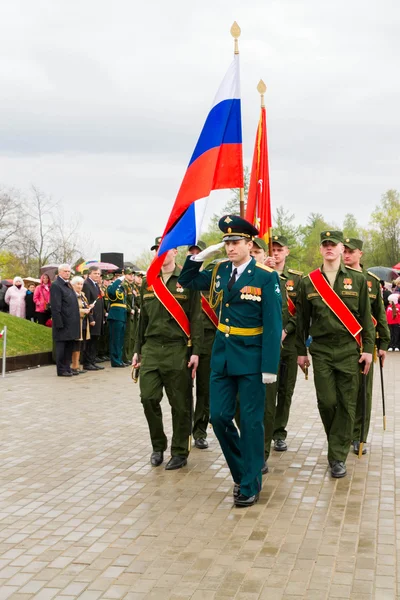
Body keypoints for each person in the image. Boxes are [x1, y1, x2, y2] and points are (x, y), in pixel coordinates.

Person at [178, 215, 282, 507]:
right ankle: (242, 472)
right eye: (226, 243)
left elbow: (273, 324)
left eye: (235, 242)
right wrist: (201, 256)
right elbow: (186, 280)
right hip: (223, 355)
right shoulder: (220, 270)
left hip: (252, 358)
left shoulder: (265, 276)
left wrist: (269, 367)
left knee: (250, 423)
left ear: (250, 244)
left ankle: (250, 483)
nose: (230, 248)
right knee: (219, 417)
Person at [296, 231, 375, 478]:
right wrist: (301, 352)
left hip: (348, 350)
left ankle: (337, 456)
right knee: (327, 401)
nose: (329, 248)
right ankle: (338, 439)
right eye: (325, 245)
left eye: (333, 245)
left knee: (347, 402)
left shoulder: (358, 280)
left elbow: (366, 319)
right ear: (320, 250)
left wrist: (369, 350)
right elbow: (301, 321)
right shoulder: (308, 282)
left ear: (342, 249)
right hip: (320, 350)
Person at [132, 246, 202, 471]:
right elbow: (142, 320)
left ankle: (180, 451)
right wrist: (137, 349)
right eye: (157, 251)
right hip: (151, 348)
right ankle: (158, 445)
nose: (162, 255)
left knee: (180, 405)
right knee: (148, 398)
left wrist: (196, 352)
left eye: (167, 250)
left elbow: (196, 317)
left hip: (177, 348)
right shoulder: (149, 281)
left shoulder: (187, 279)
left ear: (175, 253)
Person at [342, 237, 390, 454]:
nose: (347, 255)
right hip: (343, 343)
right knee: (344, 392)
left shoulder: (371, 281)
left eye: (351, 251)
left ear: (360, 253)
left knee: (363, 392)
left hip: (365, 344)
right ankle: (343, 432)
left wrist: (383, 344)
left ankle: (359, 436)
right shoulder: (336, 278)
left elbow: (379, 314)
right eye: (345, 251)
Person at [265, 234, 303, 453]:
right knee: (267, 390)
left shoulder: (296, 280)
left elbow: (300, 313)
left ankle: (279, 432)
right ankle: (266, 432)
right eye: (273, 250)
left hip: (288, 345)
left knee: (285, 391)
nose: (276, 253)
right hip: (267, 343)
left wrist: (286, 331)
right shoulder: (263, 275)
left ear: (287, 252)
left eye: (280, 250)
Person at [187, 241, 214, 449]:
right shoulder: (183, 280)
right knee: (183, 390)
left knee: (204, 390)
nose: (195, 255)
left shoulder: (213, 279)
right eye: (192, 253)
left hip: (209, 341)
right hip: (186, 343)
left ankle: (199, 431)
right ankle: (184, 430)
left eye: (199, 253)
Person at [50, 264, 80, 377]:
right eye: (65, 271)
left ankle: (67, 367)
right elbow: (56, 306)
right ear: (60, 272)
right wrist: (58, 323)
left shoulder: (68, 285)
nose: (68, 273)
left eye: (69, 271)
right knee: (61, 348)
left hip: (71, 323)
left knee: (69, 348)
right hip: (63, 323)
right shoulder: (56, 285)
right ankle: (61, 369)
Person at [82, 266, 105, 371]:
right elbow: (87, 303)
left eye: (98, 274)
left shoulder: (96, 285)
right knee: (90, 341)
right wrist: (90, 318)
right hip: (92, 317)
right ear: (89, 274)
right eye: (95, 273)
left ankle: (92, 361)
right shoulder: (86, 284)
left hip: (99, 316)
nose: (97, 275)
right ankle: (87, 362)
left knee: (95, 340)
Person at [71, 276, 91, 374]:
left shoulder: (83, 295)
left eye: (81, 284)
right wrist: (83, 311)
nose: (80, 286)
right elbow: (71, 310)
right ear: (73, 285)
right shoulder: (72, 295)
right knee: (76, 344)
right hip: (76, 322)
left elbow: (85, 305)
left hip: (84, 322)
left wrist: (89, 307)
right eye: (78, 284)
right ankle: (74, 366)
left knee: (82, 344)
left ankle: (78, 365)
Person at [107, 271, 128, 367]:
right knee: (115, 339)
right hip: (115, 316)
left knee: (120, 340)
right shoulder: (111, 287)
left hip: (122, 315)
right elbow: (111, 292)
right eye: (118, 276)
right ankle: (115, 360)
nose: (121, 278)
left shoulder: (121, 288)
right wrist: (117, 281)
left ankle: (119, 359)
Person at [122, 268, 136, 365]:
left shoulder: (130, 286)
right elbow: (124, 300)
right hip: (126, 313)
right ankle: (125, 357)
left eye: (132, 274)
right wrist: (129, 309)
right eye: (129, 274)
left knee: (130, 336)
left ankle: (128, 356)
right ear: (125, 275)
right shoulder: (124, 285)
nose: (131, 276)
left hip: (131, 312)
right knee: (126, 336)